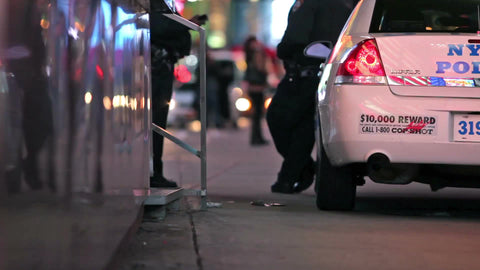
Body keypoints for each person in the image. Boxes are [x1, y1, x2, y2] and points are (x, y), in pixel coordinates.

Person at [266, 0, 356, 194]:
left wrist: (283, 50)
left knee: (277, 118)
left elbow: (294, 39)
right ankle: (289, 176)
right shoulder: (351, 6)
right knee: (304, 128)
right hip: (330, 75)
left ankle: (300, 171)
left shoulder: (309, 4)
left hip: (302, 74)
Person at [149, 1, 207, 188]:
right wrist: (186, 24)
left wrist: (185, 24)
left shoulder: (164, 3)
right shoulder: (154, 3)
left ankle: (155, 171)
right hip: (156, 68)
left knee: (158, 122)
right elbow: (158, 25)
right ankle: (153, 172)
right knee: (155, 121)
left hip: (162, 66)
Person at [243, 36, 269, 146]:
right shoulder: (256, 54)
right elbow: (261, 68)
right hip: (257, 87)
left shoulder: (249, 54)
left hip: (253, 87)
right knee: (257, 115)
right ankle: (256, 138)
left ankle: (256, 137)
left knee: (256, 115)